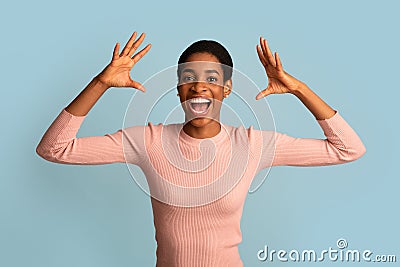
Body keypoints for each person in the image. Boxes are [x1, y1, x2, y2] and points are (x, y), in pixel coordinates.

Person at [36, 31, 366, 266]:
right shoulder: (147, 141)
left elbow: (347, 149)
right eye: (188, 77)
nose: (198, 84)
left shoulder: (252, 144)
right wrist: (101, 83)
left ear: (226, 88)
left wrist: (299, 89)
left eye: (211, 77)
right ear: (178, 89)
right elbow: (54, 149)